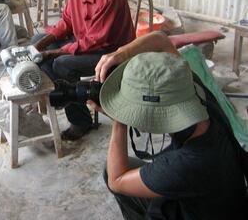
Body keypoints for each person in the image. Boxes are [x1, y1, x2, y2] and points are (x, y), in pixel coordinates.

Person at [91, 31, 248, 220]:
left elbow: (116, 180)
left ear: (157, 115)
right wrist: (120, 54)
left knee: (114, 171)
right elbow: (161, 40)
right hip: (224, 198)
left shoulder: (189, 162)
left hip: (203, 209)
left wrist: (119, 119)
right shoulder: (192, 92)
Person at [32, 0, 136, 140]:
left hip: (112, 51)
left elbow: (93, 41)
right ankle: (62, 95)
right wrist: (41, 45)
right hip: (87, 42)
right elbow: (66, 22)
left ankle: (80, 121)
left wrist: (53, 52)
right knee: (37, 40)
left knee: (61, 64)